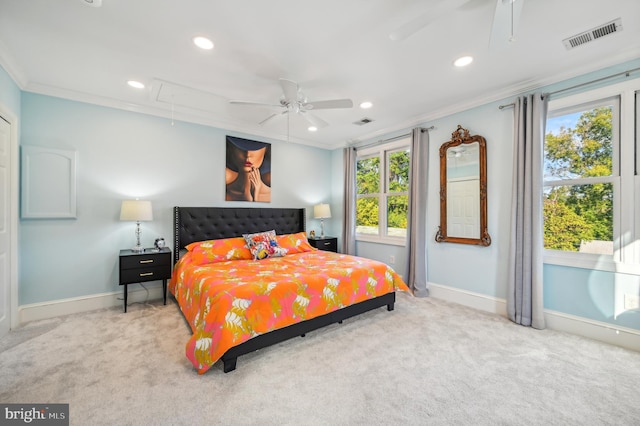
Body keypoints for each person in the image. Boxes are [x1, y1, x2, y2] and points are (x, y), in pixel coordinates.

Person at [225, 136, 271, 202]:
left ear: (265, 149)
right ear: (231, 149)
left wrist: (255, 198)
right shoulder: (226, 194)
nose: (248, 154)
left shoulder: (273, 196)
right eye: (240, 147)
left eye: (255, 148)